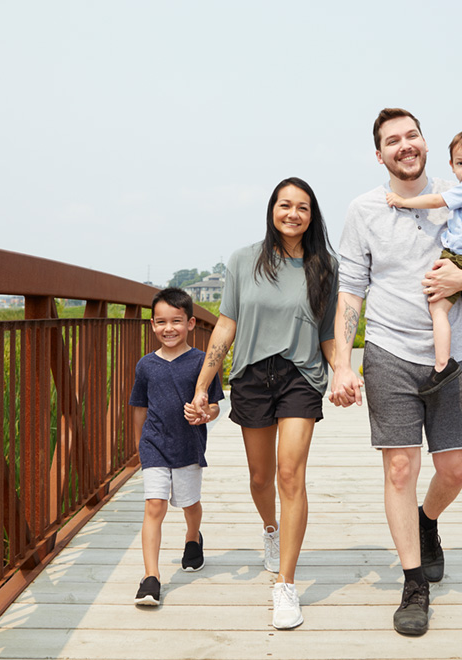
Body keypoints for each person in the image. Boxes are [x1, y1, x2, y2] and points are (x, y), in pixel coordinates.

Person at [329, 109, 462, 636]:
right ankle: (413, 584)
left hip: (451, 360)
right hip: (387, 350)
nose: (404, 146)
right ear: (379, 154)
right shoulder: (363, 210)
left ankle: (427, 521)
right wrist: (343, 361)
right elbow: (351, 289)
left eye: (411, 135)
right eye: (392, 140)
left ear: (425, 143)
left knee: (453, 469)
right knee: (400, 469)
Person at [189, 177, 338, 630]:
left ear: (312, 216)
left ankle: (286, 585)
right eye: (285, 205)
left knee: (291, 474)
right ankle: (270, 530)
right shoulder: (243, 260)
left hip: (301, 375)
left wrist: (345, 373)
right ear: (272, 209)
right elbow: (225, 327)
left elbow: (329, 333)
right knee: (261, 477)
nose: (293, 214)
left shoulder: (324, 266)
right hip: (252, 376)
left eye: (303, 208)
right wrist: (202, 386)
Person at [385, 128, 462, 390]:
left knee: (438, 308)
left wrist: (405, 201)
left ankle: (441, 364)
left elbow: (438, 200)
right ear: (452, 165)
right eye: (461, 164)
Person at [130, 287, 224, 607]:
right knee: (154, 505)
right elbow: (139, 409)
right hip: (154, 444)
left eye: (176, 321)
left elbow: (215, 408)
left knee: (189, 503)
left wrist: (204, 414)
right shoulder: (145, 365)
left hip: (188, 446)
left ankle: (192, 536)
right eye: (161, 322)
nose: (168, 328)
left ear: (191, 323)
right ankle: (151, 577)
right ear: (153, 325)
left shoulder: (202, 362)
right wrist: (139, 446)